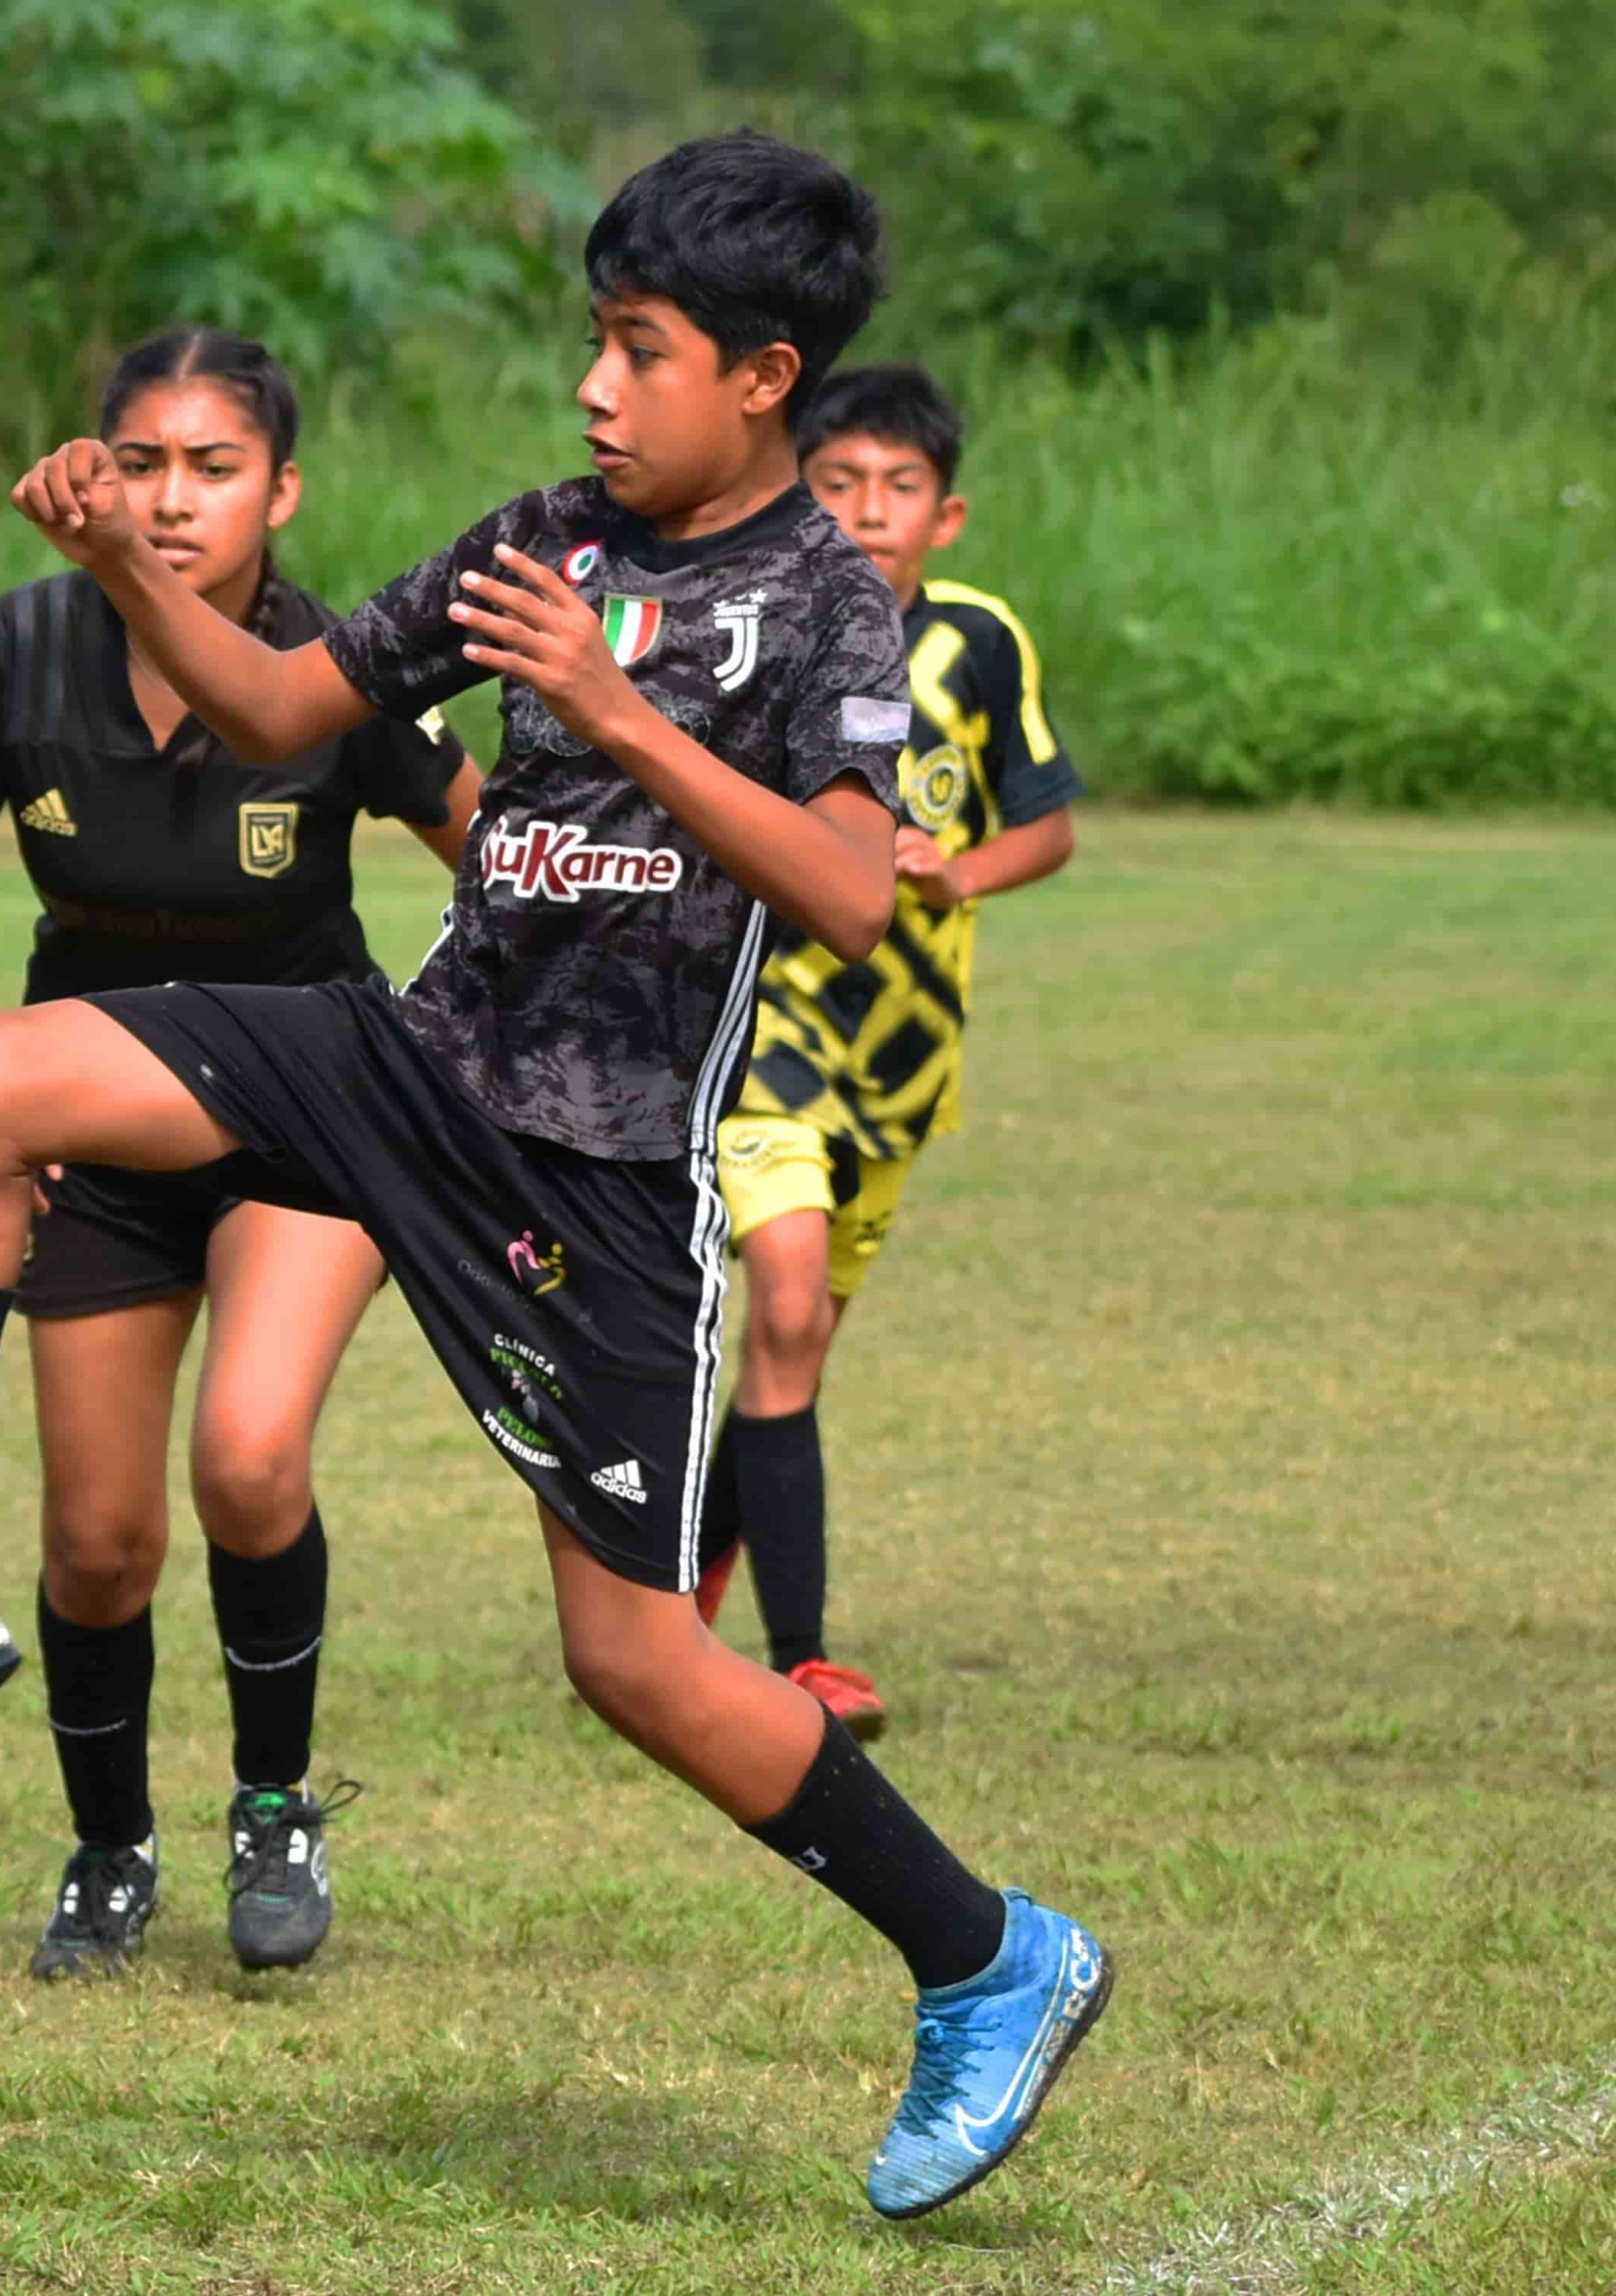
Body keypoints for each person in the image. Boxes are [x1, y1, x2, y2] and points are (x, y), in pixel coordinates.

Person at [0, 136, 1108, 2216]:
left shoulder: (825, 599)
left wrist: (616, 716)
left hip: (606, 1177)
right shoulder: (541, 535)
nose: (592, 391)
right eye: (593, 343)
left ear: (762, 375)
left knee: (634, 1665)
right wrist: (130, 567)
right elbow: (289, 700)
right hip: (407, 1066)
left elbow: (843, 891)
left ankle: (992, 1959)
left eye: (635, 353)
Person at [0, 328, 482, 1978]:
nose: (172, 498)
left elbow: (500, 857)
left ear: (281, 493)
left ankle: (275, 1805)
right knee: (94, 1542)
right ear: (92, 477)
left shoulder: (339, 664)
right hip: (88, 1123)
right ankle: (104, 1850)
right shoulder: (21, 647)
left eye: (213, 469)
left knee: (246, 1462)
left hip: (303, 1115)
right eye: (140, 461)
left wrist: (428, 1058)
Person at [695, 365, 1083, 1734]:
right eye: (839, 482)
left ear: (947, 513)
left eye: (898, 488)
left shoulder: (980, 643)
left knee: (786, 1359)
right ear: (800, 491)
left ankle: (677, 1597)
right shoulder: (767, 632)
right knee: (786, 1307)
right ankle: (801, 1660)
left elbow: (1049, 823)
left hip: (905, 1058)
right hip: (767, 1032)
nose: (868, 512)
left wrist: (958, 872)